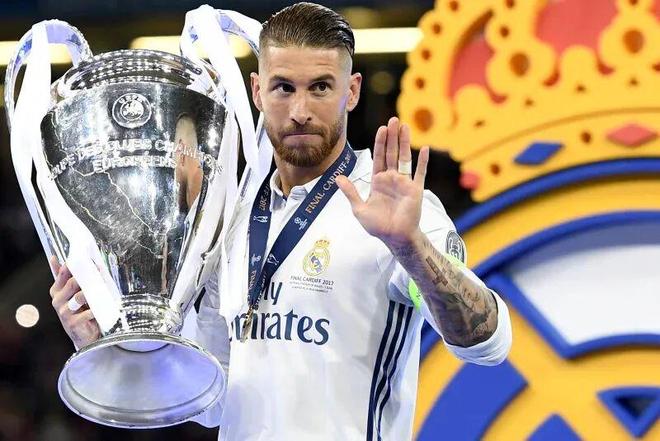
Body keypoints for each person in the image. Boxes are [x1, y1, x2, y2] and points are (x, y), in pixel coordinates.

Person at [49, 3, 512, 439]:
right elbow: (209, 400)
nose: (300, 111)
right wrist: (111, 341)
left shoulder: (393, 208)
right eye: (284, 88)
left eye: (321, 87)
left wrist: (410, 247)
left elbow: (486, 343)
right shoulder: (231, 217)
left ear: (351, 91)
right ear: (257, 91)